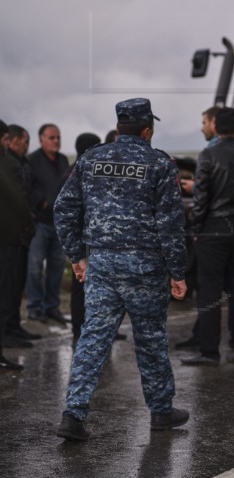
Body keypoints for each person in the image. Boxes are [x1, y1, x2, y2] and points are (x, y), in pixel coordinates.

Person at [53, 98, 189, 441]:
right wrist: (178, 271)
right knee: (150, 338)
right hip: (145, 266)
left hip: (102, 263)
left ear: (118, 127)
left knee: (93, 337)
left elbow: (64, 208)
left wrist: (76, 256)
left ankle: (73, 414)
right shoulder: (159, 164)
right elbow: (171, 224)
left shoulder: (91, 158)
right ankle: (160, 411)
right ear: (148, 130)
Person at [181, 107, 234, 366]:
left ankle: (209, 351)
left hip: (214, 229)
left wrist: (196, 229)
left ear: (215, 126)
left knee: (209, 292)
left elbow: (201, 197)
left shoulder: (208, 154)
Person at [63, 133, 126, 343]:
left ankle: (94, 330)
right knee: (83, 289)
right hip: (86, 239)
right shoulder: (81, 171)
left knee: (93, 289)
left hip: (88, 238)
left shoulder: (84, 169)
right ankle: (79, 330)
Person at [26, 123, 70, 325]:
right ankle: (34, 307)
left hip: (59, 223)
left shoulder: (62, 160)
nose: (56, 141)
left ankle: (51, 307)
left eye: (58, 137)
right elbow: (26, 187)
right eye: (52, 138)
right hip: (40, 223)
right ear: (41, 139)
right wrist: (41, 201)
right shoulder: (32, 160)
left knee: (57, 267)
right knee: (35, 266)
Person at [1, 120, 36, 369]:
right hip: (8, 239)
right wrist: (28, 227)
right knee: (6, 293)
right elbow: (18, 201)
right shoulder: (7, 164)